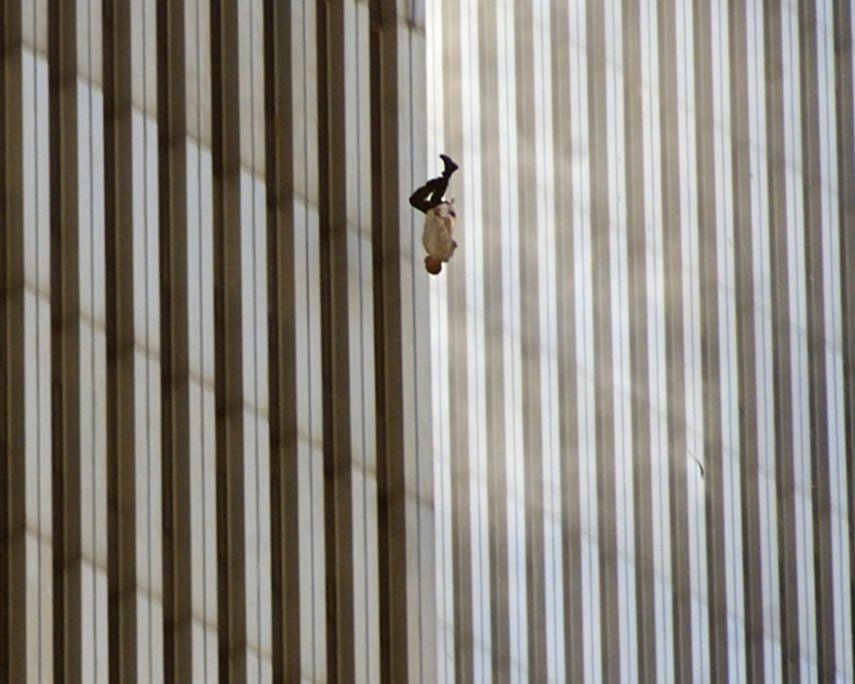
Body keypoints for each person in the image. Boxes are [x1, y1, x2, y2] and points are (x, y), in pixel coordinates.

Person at [409, 154, 459, 275]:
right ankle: (444, 176)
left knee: (435, 198)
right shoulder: (441, 252)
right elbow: (444, 235)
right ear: (435, 265)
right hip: (439, 216)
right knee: (415, 200)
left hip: (436, 215)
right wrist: (438, 218)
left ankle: (447, 173)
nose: (426, 262)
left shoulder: (431, 249)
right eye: (428, 265)